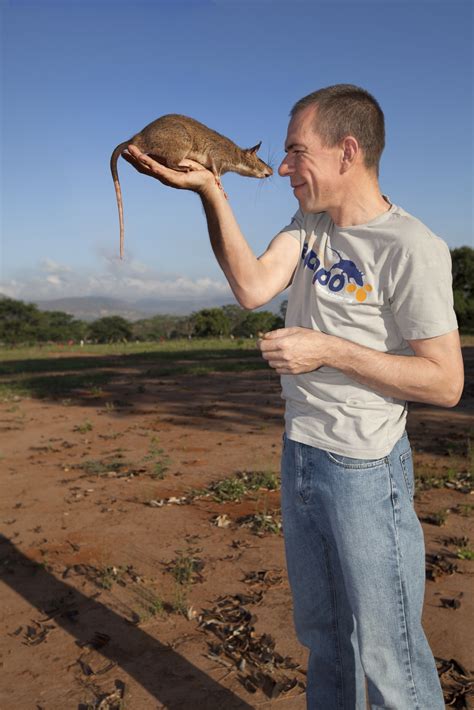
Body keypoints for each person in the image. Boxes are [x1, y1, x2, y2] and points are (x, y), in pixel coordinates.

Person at [123, 84, 464, 709]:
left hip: (365, 469)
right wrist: (211, 192)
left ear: (347, 151)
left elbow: (445, 381)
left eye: (295, 152)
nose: (281, 169)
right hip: (301, 454)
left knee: (390, 654)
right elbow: (252, 288)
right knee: (326, 640)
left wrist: (327, 349)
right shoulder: (309, 227)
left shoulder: (411, 247)